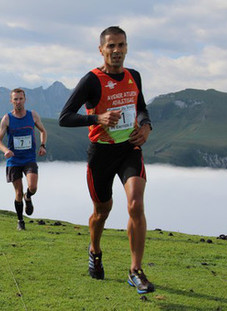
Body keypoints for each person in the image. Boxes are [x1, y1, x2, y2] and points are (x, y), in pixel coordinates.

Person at [58, 26, 154, 294]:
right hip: (100, 153)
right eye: (110, 46)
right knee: (102, 212)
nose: (116, 51)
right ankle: (95, 249)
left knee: (135, 204)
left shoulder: (134, 76)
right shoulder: (91, 80)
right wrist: (96, 118)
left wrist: (146, 126)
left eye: (121, 45)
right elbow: (65, 117)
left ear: (127, 47)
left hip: (129, 149)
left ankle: (135, 270)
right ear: (101, 49)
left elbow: (141, 108)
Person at [0, 88, 47, 230]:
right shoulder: (7, 119)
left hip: (29, 158)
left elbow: (43, 131)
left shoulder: (33, 115)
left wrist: (43, 145)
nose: (18, 101)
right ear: (11, 101)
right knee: (18, 192)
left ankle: (28, 197)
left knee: (33, 187)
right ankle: (20, 221)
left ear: (25, 99)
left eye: (20, 98)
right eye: (15, 99)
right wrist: (6, 150)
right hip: (14, 160)